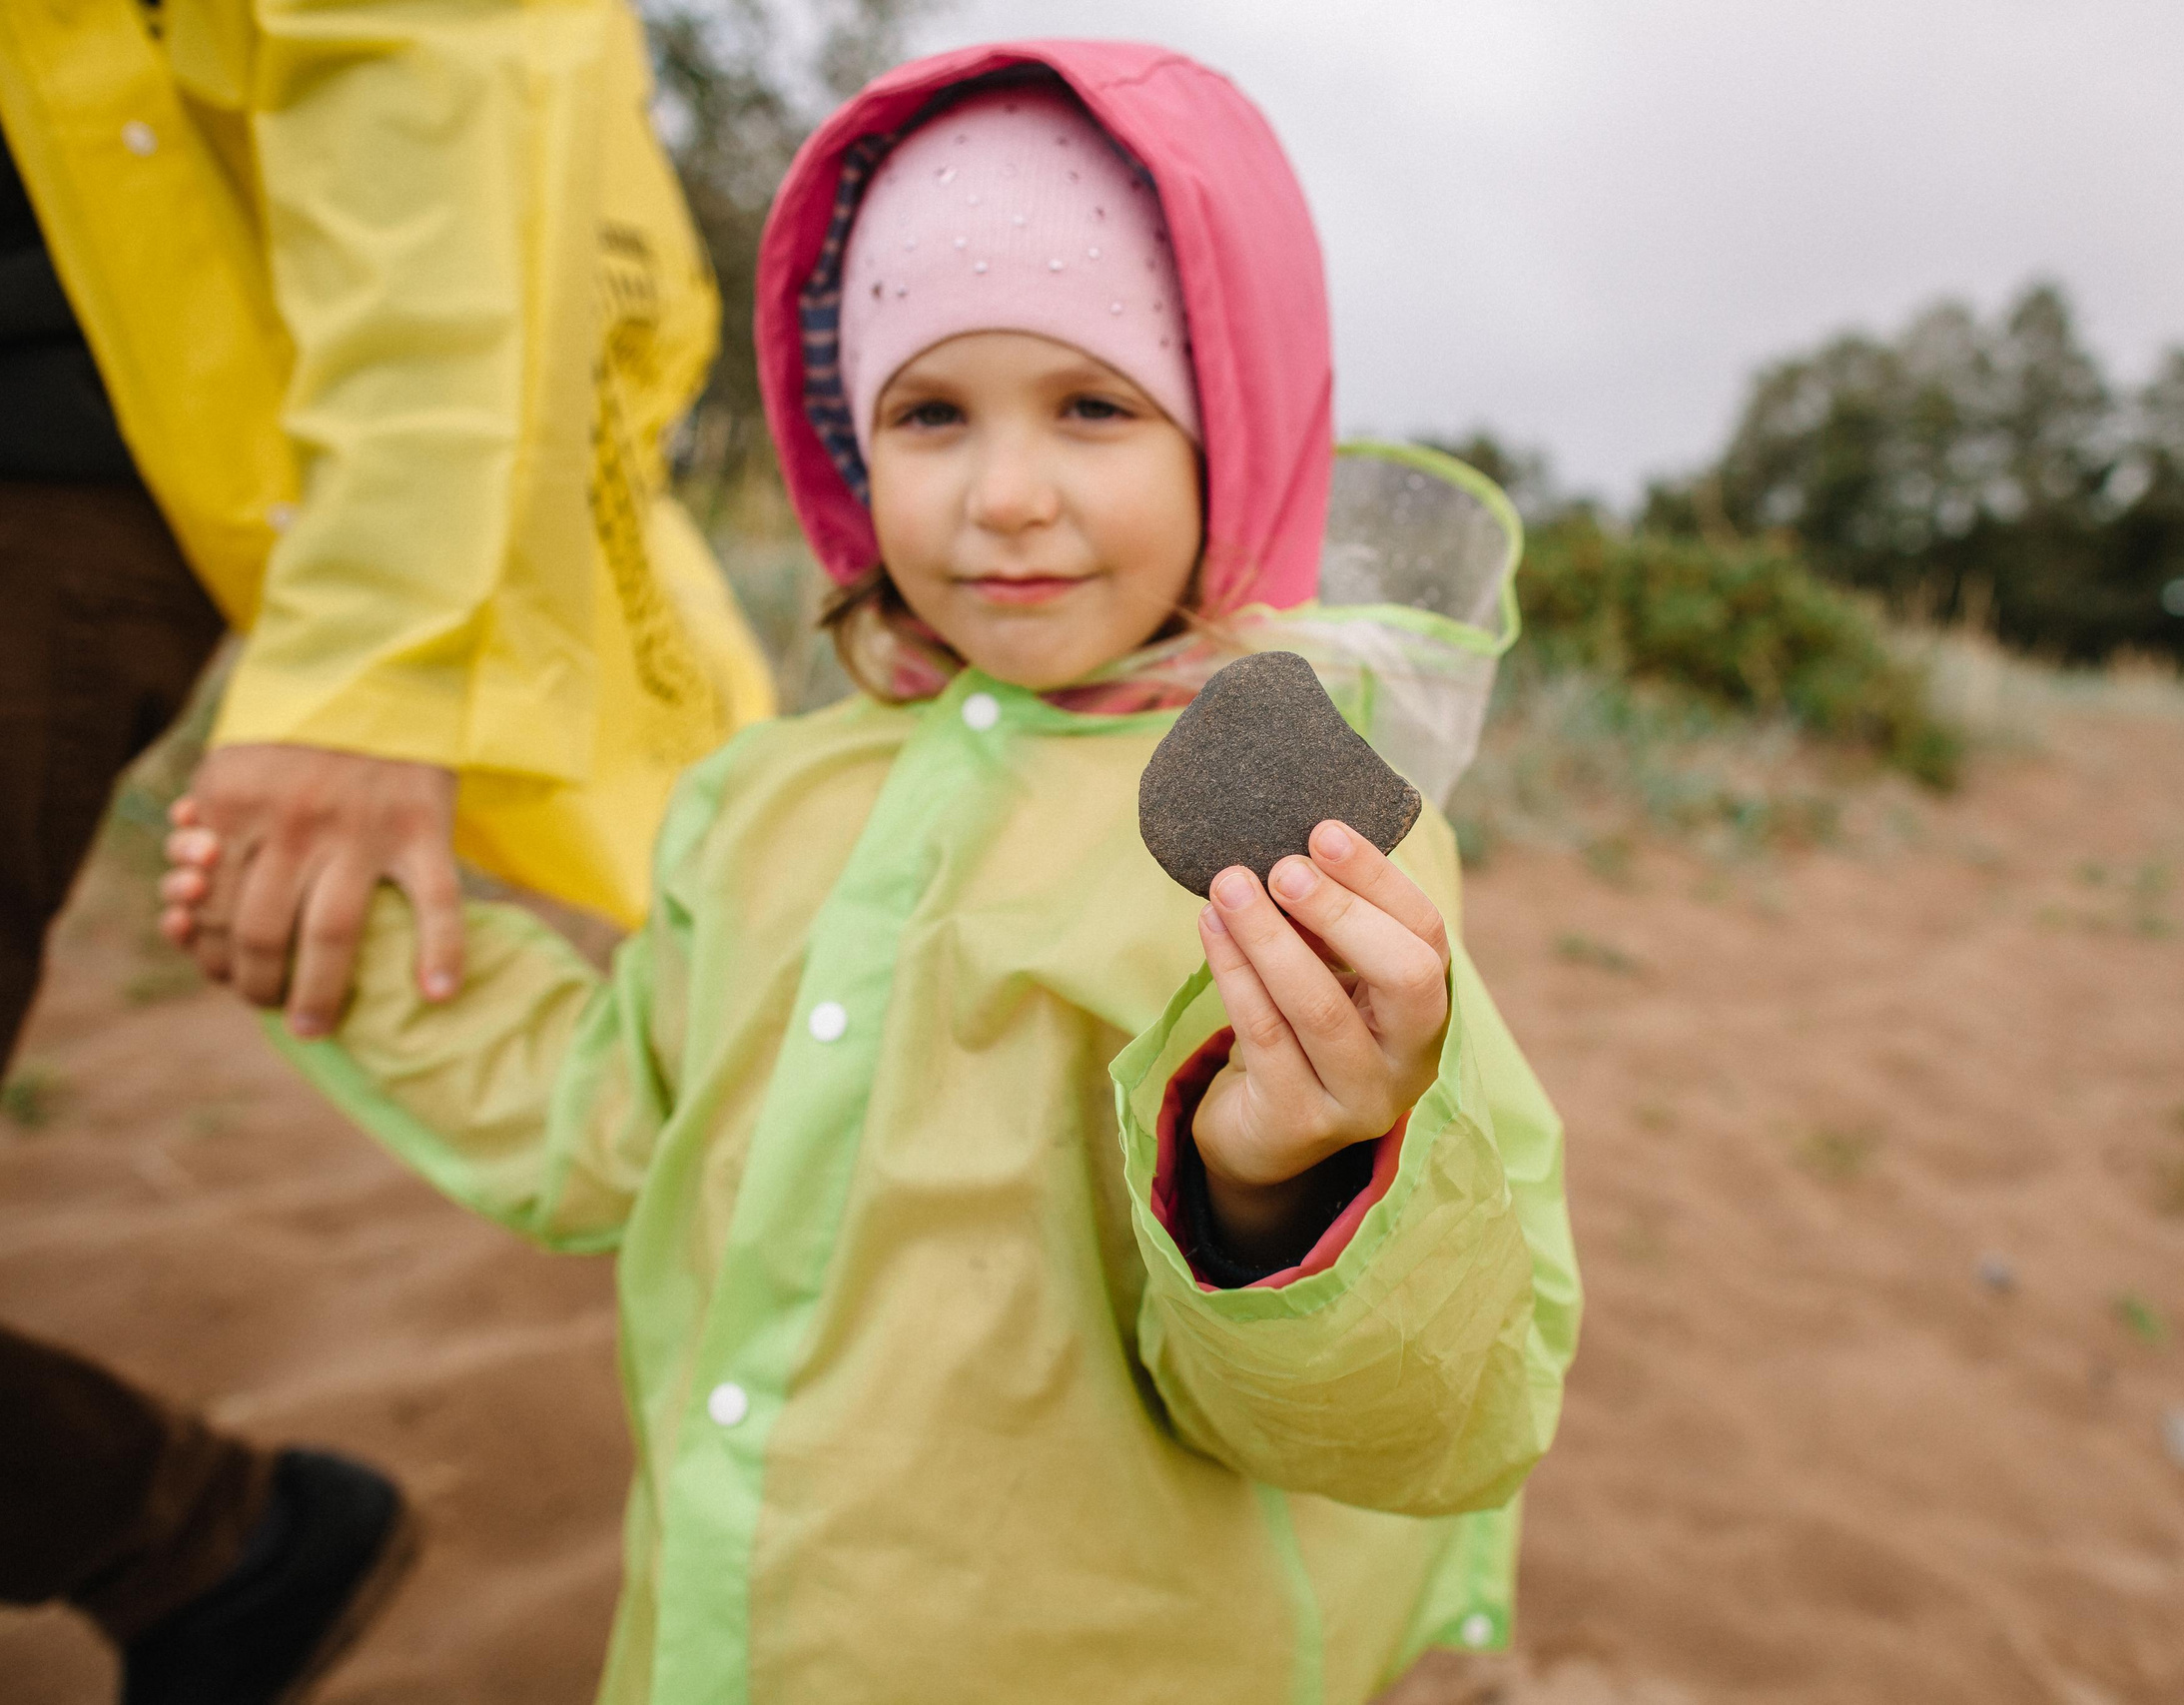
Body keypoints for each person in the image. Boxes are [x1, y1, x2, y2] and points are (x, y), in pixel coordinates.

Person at [167, 40, 1579, 1703]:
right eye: (929, 413)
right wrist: (355, 960)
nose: (1004, 496)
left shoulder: (1318, 866)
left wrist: (1290, 1169)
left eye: (1094, 407)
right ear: (846, 440)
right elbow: (617, 1126)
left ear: (1237, 425)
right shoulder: (760, 799)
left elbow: (1433, 1410)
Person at [0, 1, 770, 1697]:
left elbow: (432, 63)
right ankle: (209, 1545)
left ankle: (199, 1539)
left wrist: (375, 665)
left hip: (47, 443)